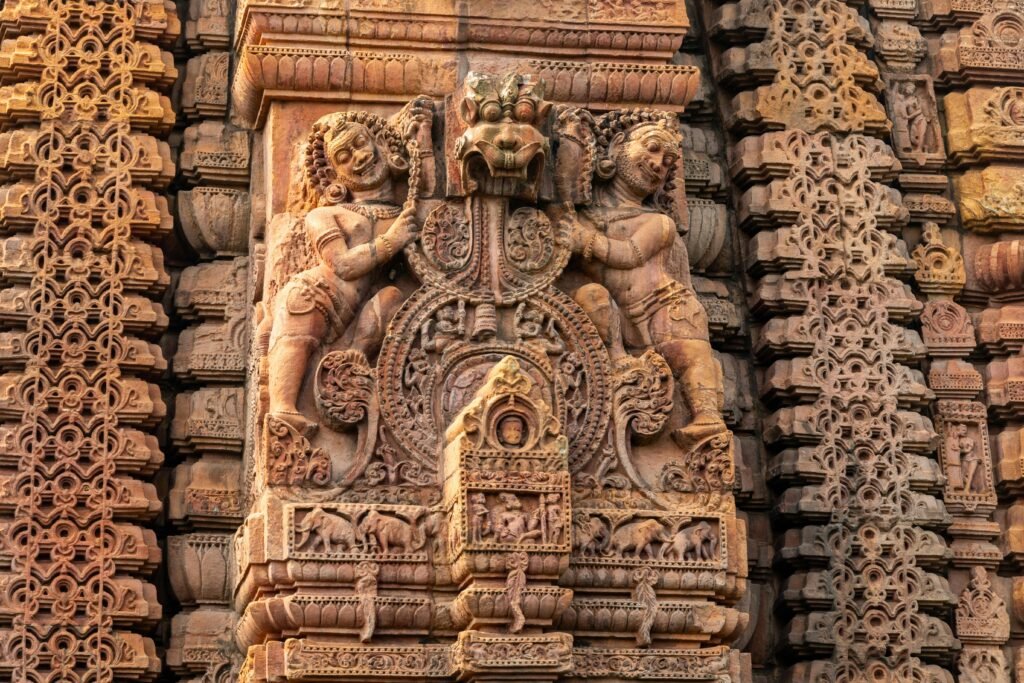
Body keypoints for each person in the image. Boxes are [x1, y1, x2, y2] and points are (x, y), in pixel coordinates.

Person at [566, 116, 727, 448]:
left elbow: (630, 255)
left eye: (668, 163)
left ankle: (706, 418)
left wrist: (587, 241)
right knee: (592, 298)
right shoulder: (584, 216)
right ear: (616, 147)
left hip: (665, 312)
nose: (658, 166)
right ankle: (613, 358)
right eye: (652, 149)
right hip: (619, 315)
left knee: (690, 356)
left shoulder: (659, 224)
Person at [267, 109, 431, 435]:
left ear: (380, 144)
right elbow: (342, 265)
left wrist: (423, 137)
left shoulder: (401, 213)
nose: (359, 158)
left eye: (360, 143)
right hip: (315, 295)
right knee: (297, 337)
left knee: (394, 299)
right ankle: (283, 409)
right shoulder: (328, 215)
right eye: (344, 157)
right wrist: (390, 241)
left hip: (353, 313)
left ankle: (350, 365)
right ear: (335, 176)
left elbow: (428, 196)